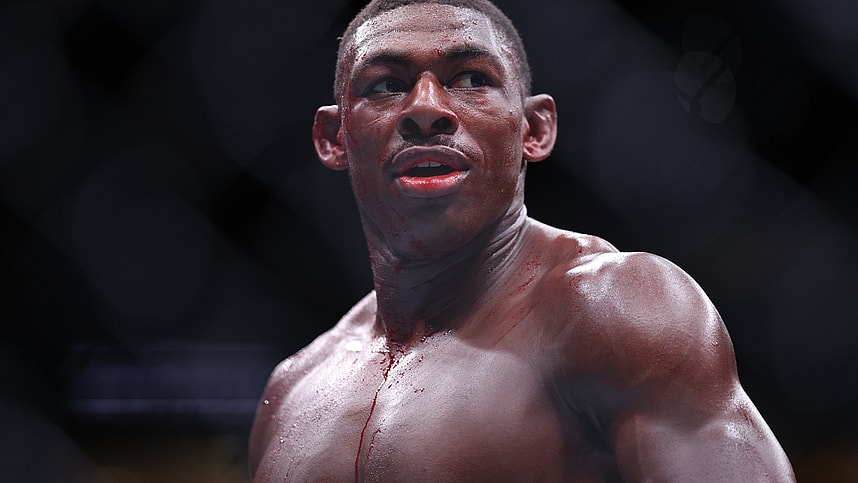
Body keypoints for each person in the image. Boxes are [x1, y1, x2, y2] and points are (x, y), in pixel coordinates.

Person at [249, 0, 796, 480]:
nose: (425, 108)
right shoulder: (295, 386)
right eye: (387, 85)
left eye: (471, 79)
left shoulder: (617, 308)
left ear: (534, 130)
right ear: (334, 137)